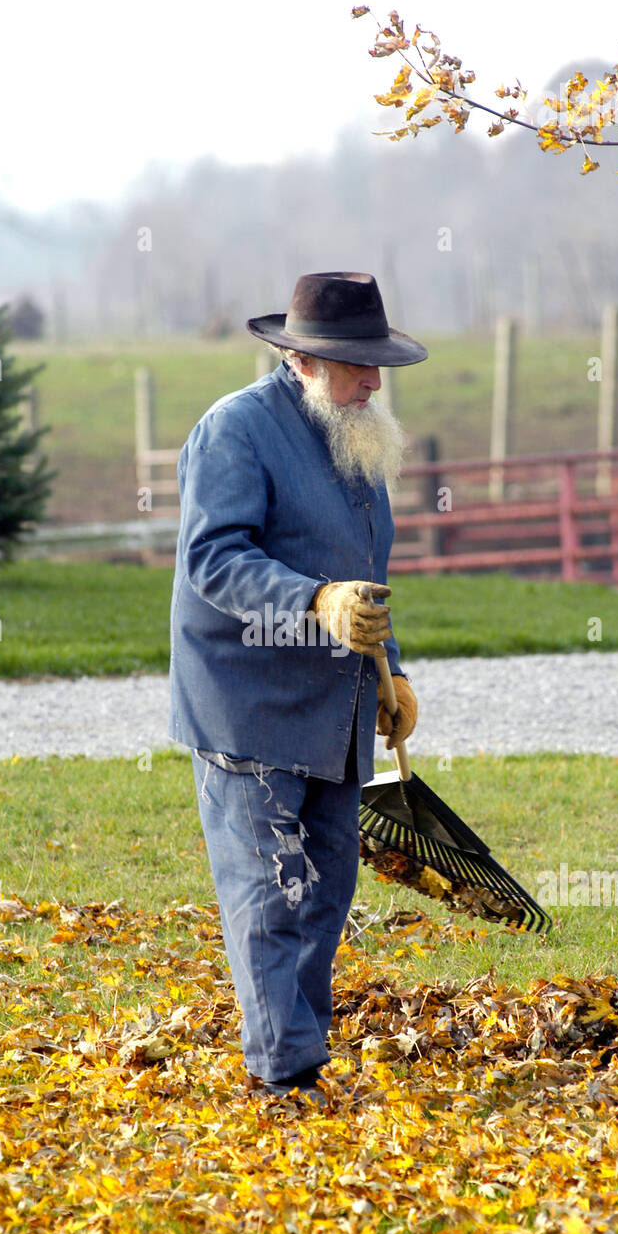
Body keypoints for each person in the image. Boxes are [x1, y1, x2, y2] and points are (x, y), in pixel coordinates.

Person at [168, 271, 427, 1102]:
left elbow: (364, 575)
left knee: (328, 888)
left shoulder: (355, 435)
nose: (374, 380)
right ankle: (288, 1074)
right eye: (358, 364)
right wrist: (312, 600)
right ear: (303, 359)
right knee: (273, 892)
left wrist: (394, 672)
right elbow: (214, 558)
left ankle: (293, 1049)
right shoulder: (234, 433)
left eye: (377, 363)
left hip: (336, 705)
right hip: (246, 703)